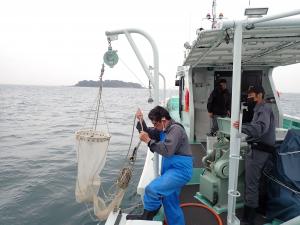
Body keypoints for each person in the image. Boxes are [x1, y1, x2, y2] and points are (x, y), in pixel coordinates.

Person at [126, 106, 193, 225]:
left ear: (163, 120)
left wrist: (148, 141)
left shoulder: (176, 130)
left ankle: (147, 216)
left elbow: (167, 150)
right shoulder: (162, 130)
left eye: (155, 124)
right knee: (170, 202)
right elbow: (148, 132)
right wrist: (140, 120)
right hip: (171, 170)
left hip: (180, 171)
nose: (155, 127)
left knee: (152, 189)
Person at [233, 86, 275, 225]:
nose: (249, 98)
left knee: (251, 183)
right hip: (263, 150)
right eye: (249, 96)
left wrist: (240, 127)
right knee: (260, 183)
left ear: (260, 95)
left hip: (259, 152)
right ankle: (260, 211)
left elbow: (259, 129)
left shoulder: (264, 109)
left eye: (252, 96)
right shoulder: (260, 109)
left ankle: (247, 219)